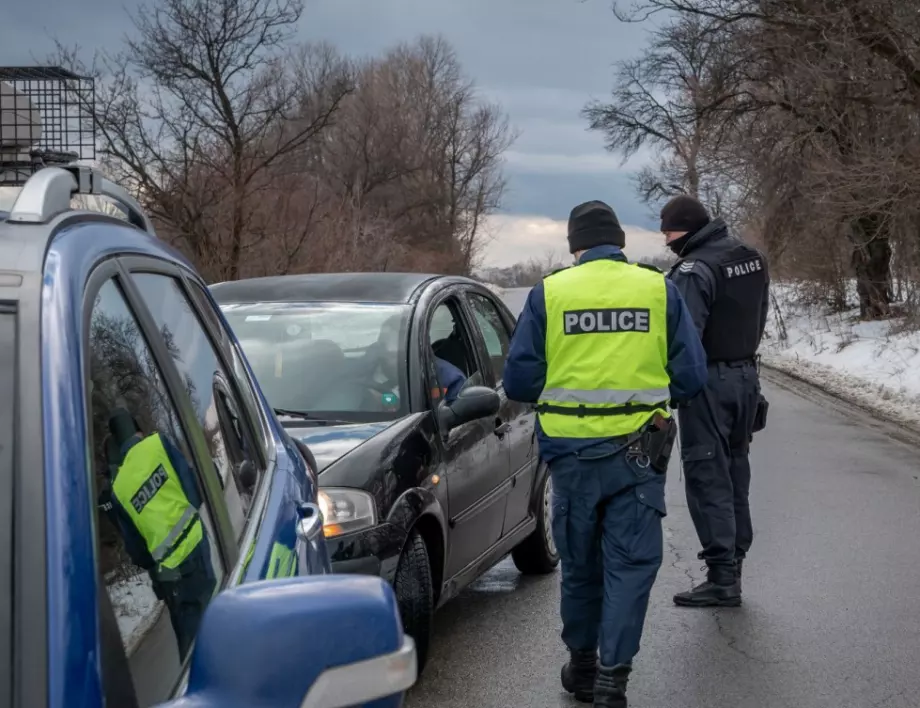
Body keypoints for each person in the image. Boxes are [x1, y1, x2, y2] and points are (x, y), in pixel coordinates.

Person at [503, 200, 707, 707]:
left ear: (575, 246)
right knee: (631, 565)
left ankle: (584, 665)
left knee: (580, 564)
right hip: (640, 455)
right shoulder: (657, 288)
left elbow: (521, 381)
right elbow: (690, 377)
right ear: (619, 242)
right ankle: (614, 677)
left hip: (571, 459)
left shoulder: (549, 293)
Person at [660, 195, 770, 608]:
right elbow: (758, 316)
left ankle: (722, 578)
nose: (665, 239)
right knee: (736, 470)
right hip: (745, 377)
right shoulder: (751, 257)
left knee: (708, 475)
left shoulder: (693, 269)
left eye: (668, 231)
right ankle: (734, 563)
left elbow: (684, 339)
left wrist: (674, 388)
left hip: (708, 382)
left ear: (684, 229)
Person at [105, 408, 216, 659]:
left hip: (170, 574)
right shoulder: (159, 443)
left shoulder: (118, 489)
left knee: (190, 642)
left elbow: (137, 550)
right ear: (138, 431)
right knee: (211, 625)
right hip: (197, 548)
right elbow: (193, 491)